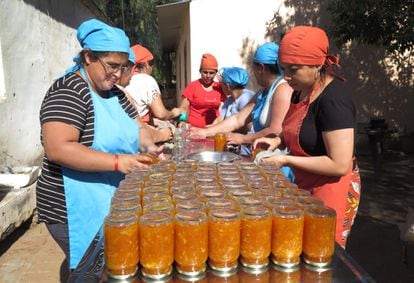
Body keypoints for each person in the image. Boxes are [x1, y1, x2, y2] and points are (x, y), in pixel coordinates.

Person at [36, 19, 163, 274]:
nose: (116, 74)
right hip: (72, 207)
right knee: (92, 269)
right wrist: (119, 162)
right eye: (111, 66)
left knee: (102, 267)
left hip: (107, 198)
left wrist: (153, 146)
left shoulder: (115, 94)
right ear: (88, 57)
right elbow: (58, 148)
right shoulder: (70, 91)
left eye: (123, 66)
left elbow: (138, 130)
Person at [253, 26, 361, 248]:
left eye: (294, 69)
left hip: (332, 190)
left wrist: (286, 159)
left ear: (317, 64)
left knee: (320, 250)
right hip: (305, 184)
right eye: (283, 69)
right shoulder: (299, 91)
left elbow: (339, 164)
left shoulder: (333, 101)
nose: (287, 77)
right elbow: (300, 128)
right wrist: (278, 140)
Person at [190, 43, 292, 157]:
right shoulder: (264, 92)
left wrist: (243, 138)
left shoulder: (282, 89)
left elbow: (275, 130)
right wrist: (204, 132)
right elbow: (238, 119)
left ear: (261, 68)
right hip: (263, 157)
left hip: (279, 163)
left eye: (253, 69)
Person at [126, 44, 181, 126]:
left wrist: (155, 121)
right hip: (139, 133)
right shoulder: (146, 80)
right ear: (145, 65)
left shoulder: (122, 80)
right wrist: (174, 113)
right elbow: (161, 114)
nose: (152, 67)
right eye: (151, 63)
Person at [179, 53, 227, 128]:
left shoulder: (219, 87)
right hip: (194, 129)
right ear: (200, 71)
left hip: (213, 129)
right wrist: (182, 120)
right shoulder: (192, 86)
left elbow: (230, 104)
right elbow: (184, 107)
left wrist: (225, 83)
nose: (208, 76)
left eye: (211, 73)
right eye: (205, 72)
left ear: (216, 73)